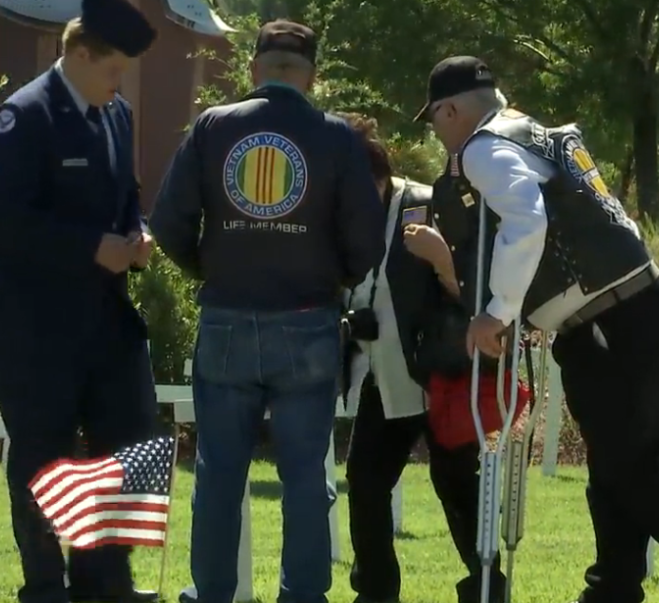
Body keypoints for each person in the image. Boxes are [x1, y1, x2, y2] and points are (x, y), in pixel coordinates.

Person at [416, 55, 659, 603]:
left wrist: (498, 311)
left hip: (604, 321)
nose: (437, 134)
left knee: (626, 466)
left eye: (434, 120)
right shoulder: (537, 134)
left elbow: (525, 219)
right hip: (634, 306)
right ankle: (613, 588)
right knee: (617, 460)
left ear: (450, 109)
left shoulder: (483, 148)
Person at [151, 20, 386, 603]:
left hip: (227, 317)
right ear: (312, 76)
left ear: (256, 69)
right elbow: (368, 242)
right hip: (308, 318)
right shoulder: (336, 138)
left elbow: (168, 224)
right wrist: (334, 278)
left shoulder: (212, 128)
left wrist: (210, 268)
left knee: (219, 472)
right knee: (307, 477)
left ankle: (212, 594)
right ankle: (303, 595)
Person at [0, 2, 160, 602]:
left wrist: (135, 234)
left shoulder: (116, 113)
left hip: (102, 317)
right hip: (30, 321)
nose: (118, 84)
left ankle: (105, 583)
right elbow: (8, 216)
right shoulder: (24, 115)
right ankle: (46, 587)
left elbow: (123, 193)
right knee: (44, 454)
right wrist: (89, 249)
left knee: (130, 442)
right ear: (78, 55)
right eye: (112, 70)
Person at [336, 114, 525, 603]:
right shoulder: (343, 224)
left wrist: (442, 260)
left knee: (457, 484)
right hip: (385, 373)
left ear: (375, 174)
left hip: (441, 375)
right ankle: (376, 591)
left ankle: (487, 589)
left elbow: (482, 293)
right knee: (366, 481)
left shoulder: (428, 205)